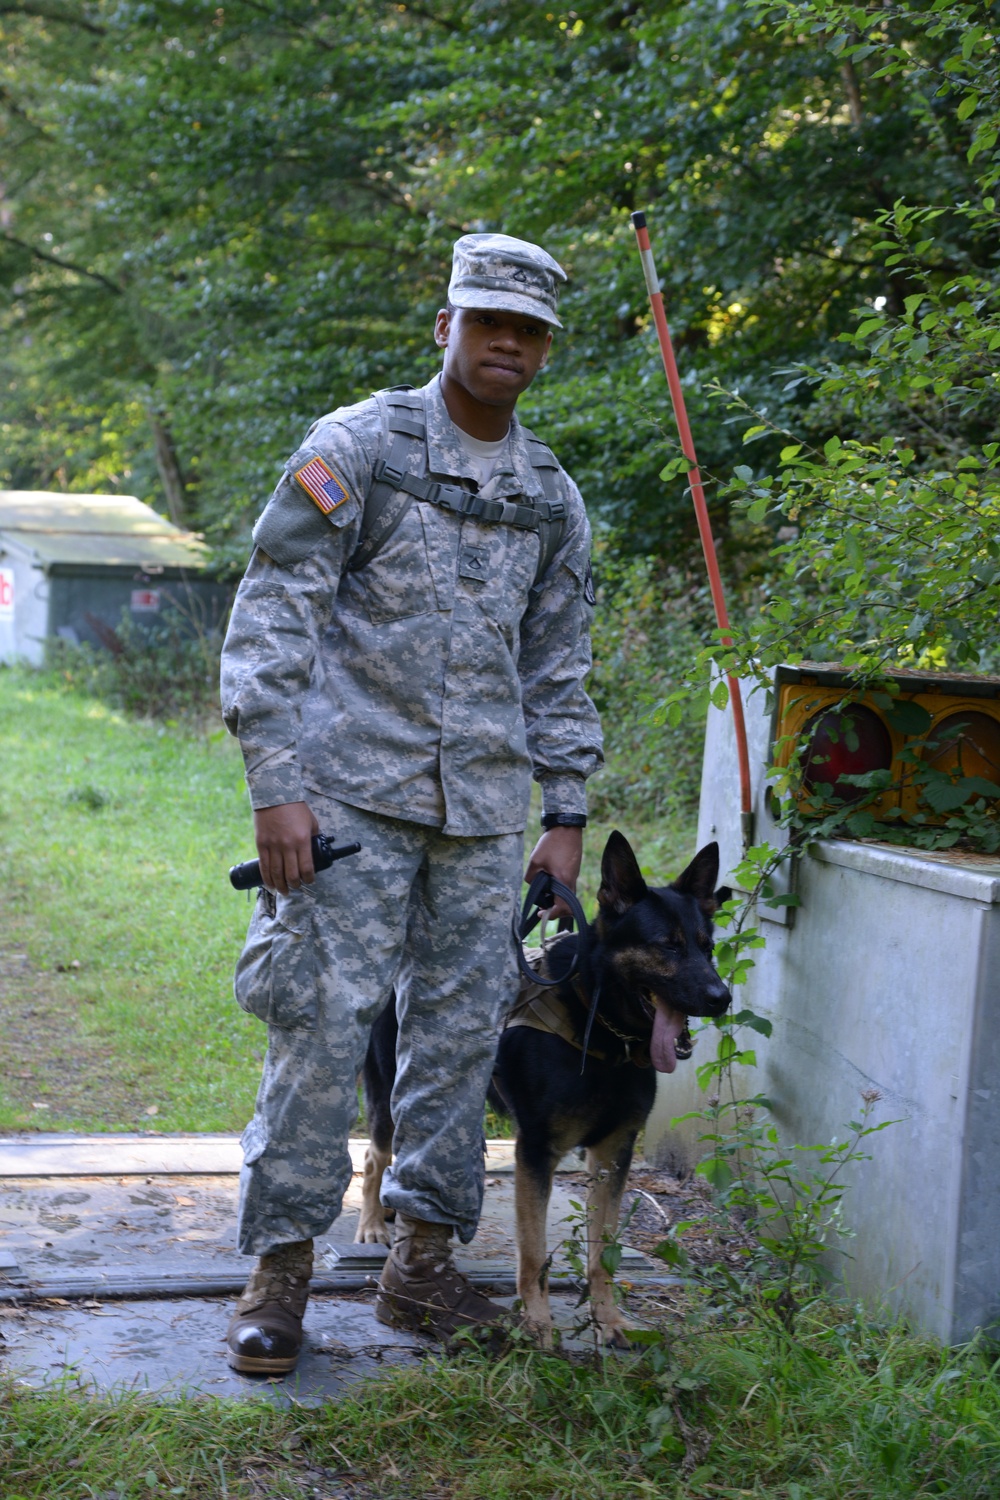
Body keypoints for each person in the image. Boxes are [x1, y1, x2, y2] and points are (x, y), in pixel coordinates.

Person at [219, 232, 603, 1374]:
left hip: (484, 818)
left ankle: (422, 1268)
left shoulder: (548, 497)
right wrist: (274, 788)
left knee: (457, 1039)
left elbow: (559, 659)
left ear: (544, 350)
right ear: (445, 325)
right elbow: (274, 616)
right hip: (346, 806)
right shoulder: (360, 451)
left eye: (529, 330)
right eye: (488, 320)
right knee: (318, 1034)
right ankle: (280, 1275)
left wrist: (566, 811)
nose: (507, 343)